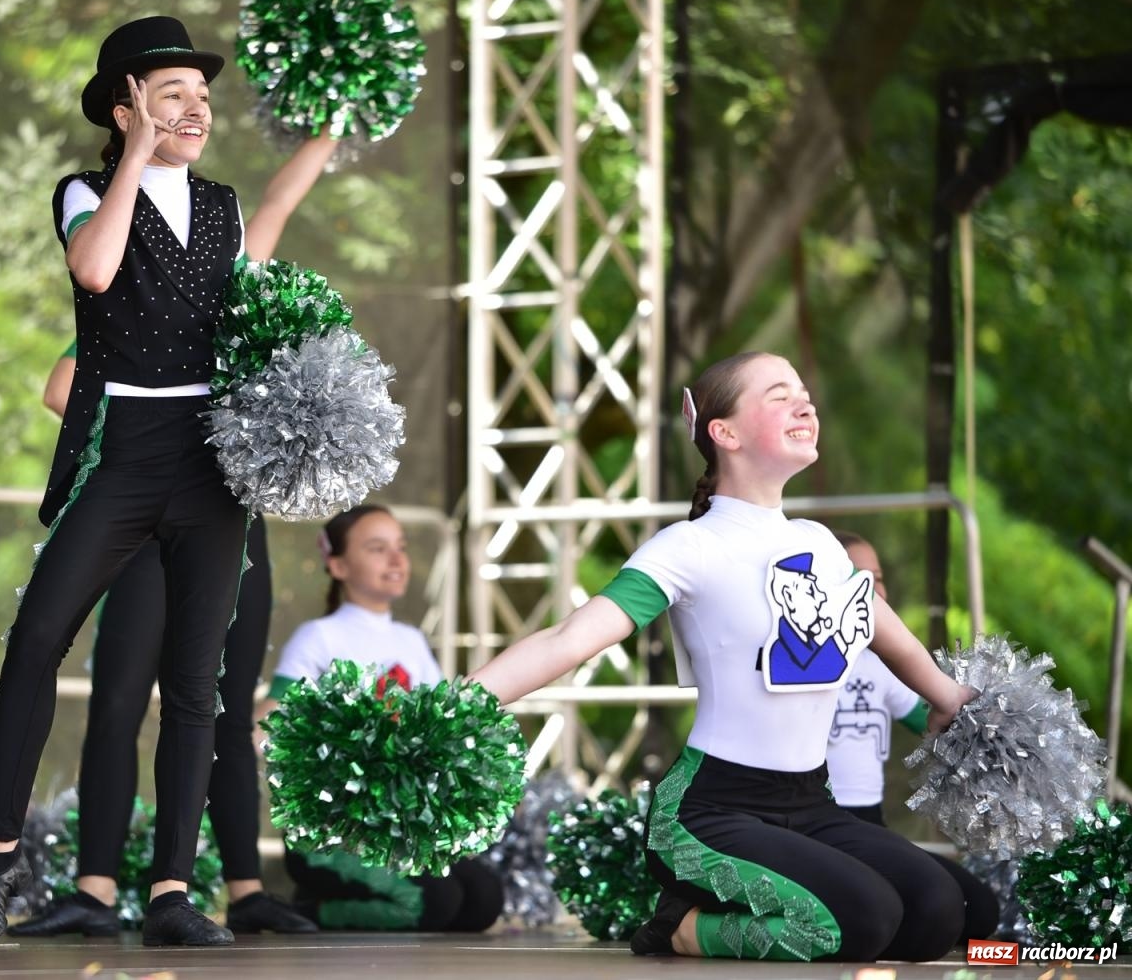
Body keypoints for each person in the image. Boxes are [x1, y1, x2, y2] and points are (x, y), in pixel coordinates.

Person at [0, 16, 334, 950]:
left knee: (198, 686)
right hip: (123, 446)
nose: (198, 108)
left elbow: (257, 286)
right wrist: (133, 157)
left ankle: (173, 890)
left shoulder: (223, 205)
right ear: (127, 106)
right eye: (175, 94)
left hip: (210, 463)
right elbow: (94, 270)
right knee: (37, 635)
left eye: (203, 96)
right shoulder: (85, 190)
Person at [468, 352, 974, 962]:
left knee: (937, 915)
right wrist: (452, 705)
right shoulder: (689, 547)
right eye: (778, 394)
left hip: (813, 802)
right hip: (710, 809)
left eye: (805, 393)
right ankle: (681, 928)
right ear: (724, 432)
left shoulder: (818, 542)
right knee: (862, 921)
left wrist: (950, 699)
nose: (804, 403)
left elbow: (889, 637)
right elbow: (568, 639)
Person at [256, 505, 505, 933]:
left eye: (401, 548)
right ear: (337, 564)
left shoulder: (410, 640)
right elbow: (269, 720)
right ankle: (310, 911)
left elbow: (441, 729)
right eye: (377, 548)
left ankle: (344, 897)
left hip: (398, 829)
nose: (396, 560)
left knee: (484, 898)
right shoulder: (319, 637)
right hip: (334, 833)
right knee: (435, 901)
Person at [827, 531, 999, 940]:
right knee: (905, 916)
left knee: (979, 909)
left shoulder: (887, 664)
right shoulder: (805, 664)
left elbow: (935, 719)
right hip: (815, 825)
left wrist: (995, 736)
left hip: (869, 826)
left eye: (879, 576)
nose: (873, 588)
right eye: (857, 575)